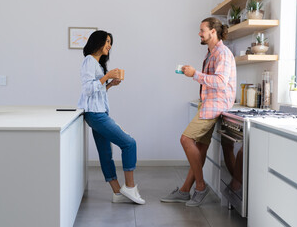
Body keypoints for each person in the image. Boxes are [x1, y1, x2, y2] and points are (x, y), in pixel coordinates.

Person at [160, 17, 236, 207]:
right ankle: (185, 191)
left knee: (186, 140)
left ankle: (200, 187)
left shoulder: (223, 54)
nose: (199, 33)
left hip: (216, 105)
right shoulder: (211, 53)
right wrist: (193, 73)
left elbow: (220, 82)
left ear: (213, 32)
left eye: (202, 30)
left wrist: (194, 74)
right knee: (200, 149)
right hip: (209, 103)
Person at [78, 30, 145, 205]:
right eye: (107, 41)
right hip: (95, 114)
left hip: (98, 112)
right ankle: (129, 187)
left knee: (105, 153)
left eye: (110, 42)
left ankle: (117, 193)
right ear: (97, 42)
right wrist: (107, 77)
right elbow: (86, 90)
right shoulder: (89, 61)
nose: (109, 45)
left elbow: (95, 92)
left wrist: (110, 85)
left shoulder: (97, 65)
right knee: (129, 143)